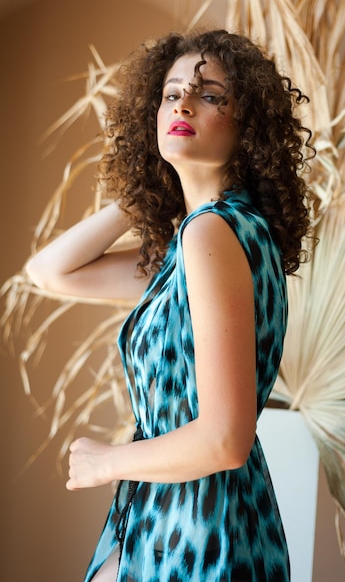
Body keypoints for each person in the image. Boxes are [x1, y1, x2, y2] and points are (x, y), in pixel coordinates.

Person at [26, 29, 313, 582]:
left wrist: (104, 462)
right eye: (170, 92)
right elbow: (49, 273)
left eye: (209, 95)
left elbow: (223, 440)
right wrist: (147, 190)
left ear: (247, 127)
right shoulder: (207, 240)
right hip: (193, 519)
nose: (182, 103)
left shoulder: (212, 236)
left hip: (199, 529)